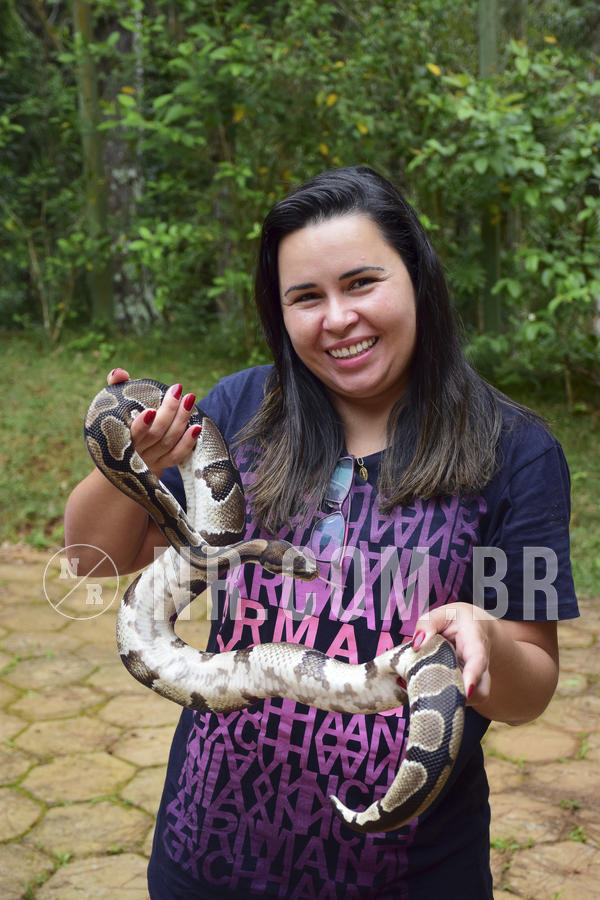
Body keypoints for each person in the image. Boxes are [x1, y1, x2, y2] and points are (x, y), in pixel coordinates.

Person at [65, 166, 578, 899]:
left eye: (362, 282)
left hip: (409, 872)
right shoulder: (241, 410)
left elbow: (530, 686)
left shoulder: (515, 454)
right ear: (279, 313)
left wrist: (486, 638)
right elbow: (91, 559)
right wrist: (128, 466)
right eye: (306, 297)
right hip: (207, 854)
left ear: (418, 280)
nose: (337, 319)